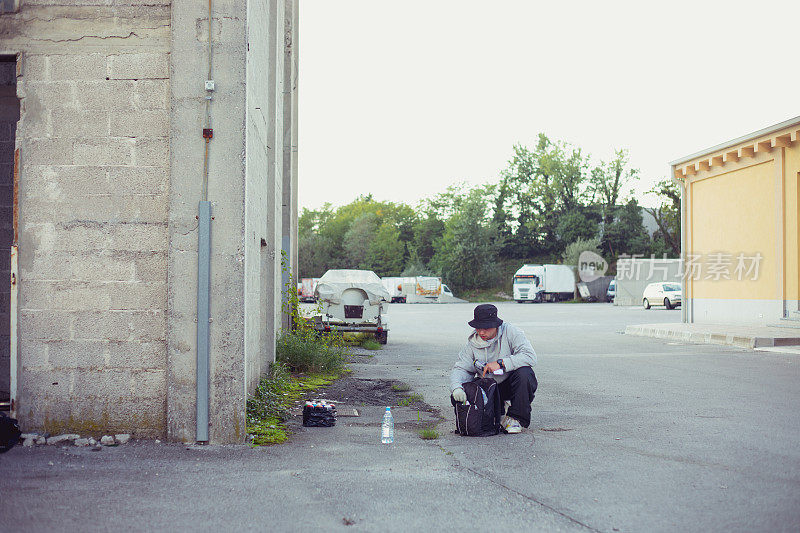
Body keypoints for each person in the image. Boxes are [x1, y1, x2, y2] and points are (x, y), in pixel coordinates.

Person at [450, 304, 538, 434]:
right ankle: (499, 409)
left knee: (525, 373)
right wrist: (456, 387)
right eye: (478, 328)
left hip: (510, 385)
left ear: (496, 324)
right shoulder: (472, 343)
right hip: (489, 389)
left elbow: (530, 357)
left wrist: (501, 363)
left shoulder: (511, 332)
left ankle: (515, 418)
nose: (481, 332)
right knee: (459, 394)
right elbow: (462, 368)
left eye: (486, 328)